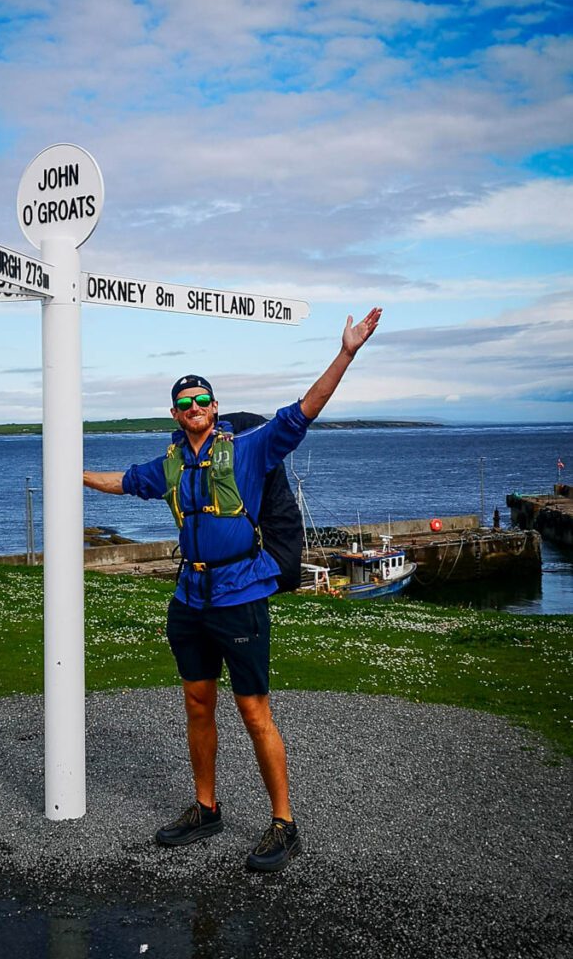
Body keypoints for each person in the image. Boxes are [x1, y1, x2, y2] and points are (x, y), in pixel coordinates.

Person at [83, 308, 382, 872]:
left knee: (253, 710)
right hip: (189, 599)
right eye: (184, 403)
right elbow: (121, 482)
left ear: (215, 408)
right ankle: (206, 807)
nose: (194, 408)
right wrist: (69, 472)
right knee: (197, 703)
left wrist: (346, 352)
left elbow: (302, 414)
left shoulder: (247, 450)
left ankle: (284, 824)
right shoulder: (167, 465)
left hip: (240, 596)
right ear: (174, 413)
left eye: (203, 400)